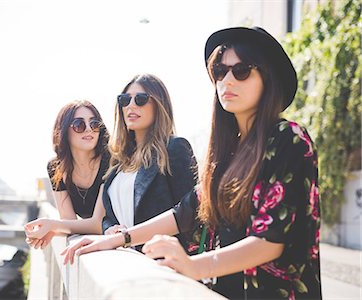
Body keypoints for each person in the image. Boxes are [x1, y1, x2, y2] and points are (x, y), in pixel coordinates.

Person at [62, 27, 322, 299]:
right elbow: (185, 211)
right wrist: (118, 238)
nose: (227, 81)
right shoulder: (228, 150)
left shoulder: (289, 139)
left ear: (267, 79)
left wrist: (192, 265)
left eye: (241, 71)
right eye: (220, 71)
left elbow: (271, 242)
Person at [101, 73, 198, 252]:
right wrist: (109, 229)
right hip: (123, 261)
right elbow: (108, 217)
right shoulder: (119, 165)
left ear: (159, 105)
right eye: (125, 100)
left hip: (162, 265)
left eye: (140, 99)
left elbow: (191, 214)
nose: (130, 105)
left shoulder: (175, 148)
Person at [25, 100, 110, 249]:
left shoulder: (109, 160)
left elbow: (98, 224)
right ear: (64, 131)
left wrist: (54, 227)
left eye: (94, 124)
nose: (89, 129)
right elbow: (69, 220)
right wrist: (54, 229)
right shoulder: (56, 168)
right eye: (79, 125)